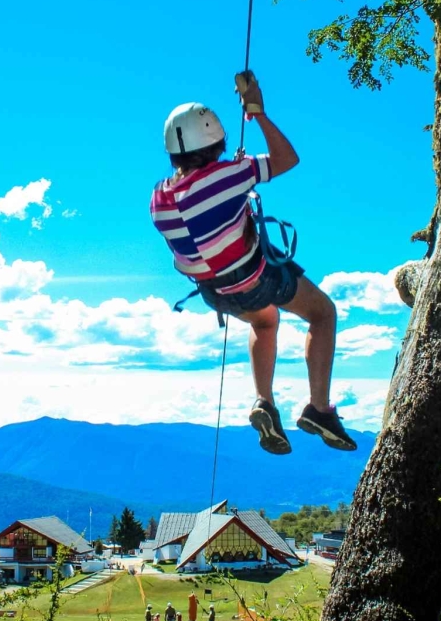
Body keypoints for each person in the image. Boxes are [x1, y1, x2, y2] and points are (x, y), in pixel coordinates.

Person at [151, 72, 358, 455]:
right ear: (216, 141)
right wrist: (258, 113)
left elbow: (204, 205)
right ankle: (319, 409)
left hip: (214, 294)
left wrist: (234, 176)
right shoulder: (230, 176)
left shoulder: (159, 199)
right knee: (323, 313)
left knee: (265, 320)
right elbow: (287, 159)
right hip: (253, 279)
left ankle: (265, 401)